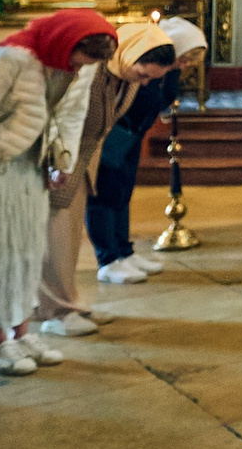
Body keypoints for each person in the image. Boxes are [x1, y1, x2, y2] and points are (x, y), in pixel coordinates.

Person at [0, 11, 114, 376]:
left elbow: (73, 113)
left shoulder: (83, 65)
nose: (79, 70)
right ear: (64, 45)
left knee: (29, 250)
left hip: (34, 161)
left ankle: (21, 332)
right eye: (79, 61)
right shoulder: (12, 58)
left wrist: (65, 162)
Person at [39, 21, 177, 332]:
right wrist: (56, 162)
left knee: (69, 241)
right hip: (60, 162)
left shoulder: (123, 77)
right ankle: (53, 313)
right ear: (130, 53)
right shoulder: (92, 71)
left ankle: (68, 302)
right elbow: (61, 115)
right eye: (143, 74)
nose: (143, 83)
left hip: (84, 160)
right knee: (54, 240)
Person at [88, 16, 206, 284]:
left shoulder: (159, 72)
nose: (185, 64)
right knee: (104, 195)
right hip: (112, 135)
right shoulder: (129, 69)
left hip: (130, 136)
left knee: (122, 192)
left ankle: (123, 252)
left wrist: (173, 73)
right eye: (184, 57)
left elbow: (162, 101)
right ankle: (108, 257)